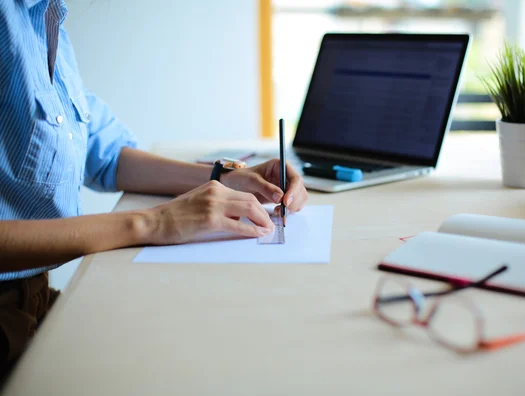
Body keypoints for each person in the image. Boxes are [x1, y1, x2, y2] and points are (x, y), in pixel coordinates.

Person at [0, 0, 308, 375]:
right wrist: (152, 223)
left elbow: (106, 155)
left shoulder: (44, 16)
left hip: (34, 301)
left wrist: (225, 178)